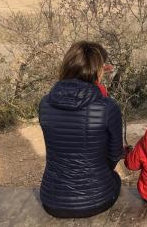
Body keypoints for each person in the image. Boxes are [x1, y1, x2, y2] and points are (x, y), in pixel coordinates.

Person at [39, 41, 123, 218]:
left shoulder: (45, 104)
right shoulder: (108, 108)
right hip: (97, 199)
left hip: (52, 200)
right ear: (97, 70)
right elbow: (114, 154)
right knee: (115, 179)